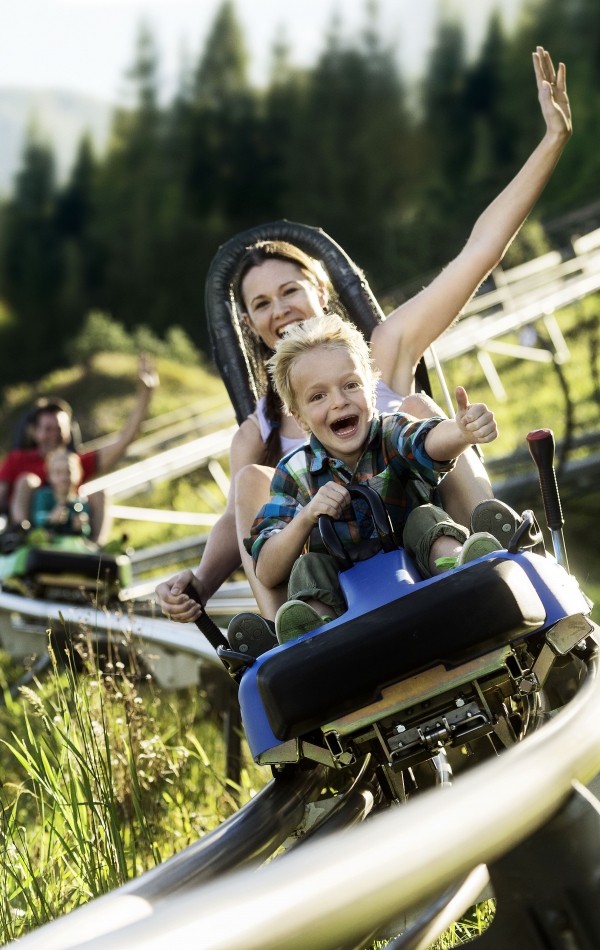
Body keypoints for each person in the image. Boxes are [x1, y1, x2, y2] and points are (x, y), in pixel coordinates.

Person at [157, 47, 571, 624]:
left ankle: (489, 558)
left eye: (290, 291)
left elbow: (478, 252)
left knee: (420, 406)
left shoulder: (380, 353)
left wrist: (550, 141)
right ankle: (292, 633)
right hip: (334, 569)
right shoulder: (262, 431)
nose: (280, 310)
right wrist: (198, 580)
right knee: (252, 478)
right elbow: (241, 519)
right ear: (250, 326)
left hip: (422, 527)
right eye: (261, 304)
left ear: (321, 292)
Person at [250, 314, 501, 642]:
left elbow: (425, 441)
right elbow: (267, 569)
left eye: (350, 385)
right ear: (299, 417)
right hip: (345, 601)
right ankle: (315, 629)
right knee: (307, 566)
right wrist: (307, 516)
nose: (339, 401)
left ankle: (459, 565)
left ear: (370, 389)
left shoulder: (389, 431)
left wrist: (461, 431)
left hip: (417, 568)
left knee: (426, 517)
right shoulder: (294, 472)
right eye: (318, 396)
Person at [1, 354, 159, 542]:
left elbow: (125, 440)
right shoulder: (18, 460)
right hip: (30, 535)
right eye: (47, 429)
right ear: (34, 432)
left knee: (100, 494)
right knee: (28, 481)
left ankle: (95, 549)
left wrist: (146, 393)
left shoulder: (75, 463)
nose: (53, 435)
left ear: (69, 432)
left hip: (69, 532)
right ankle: (23, 535)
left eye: (59, 429)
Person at [31, 450, 92, 538]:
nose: (63, 477)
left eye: (68, 472)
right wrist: (50, 517)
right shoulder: (43, 496)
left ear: (79, 474)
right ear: (49, 476)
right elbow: (36, 518)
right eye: (58, 473)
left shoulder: (80, 503)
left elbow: (86, 531)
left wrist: (81, 526)